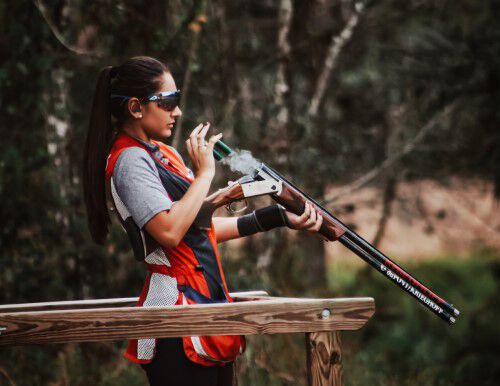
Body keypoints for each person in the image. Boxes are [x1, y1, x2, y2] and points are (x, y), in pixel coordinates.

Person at [82, 56, 324, 386]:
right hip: (174, 318)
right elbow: (169, 232)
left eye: (176, 100)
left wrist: (275, 217)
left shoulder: (164, 154)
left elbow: (198, 233)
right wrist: (206, 175)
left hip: (205, 307)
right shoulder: (129, 162)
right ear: (136, 108)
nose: (177, 111)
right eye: (167, 102)